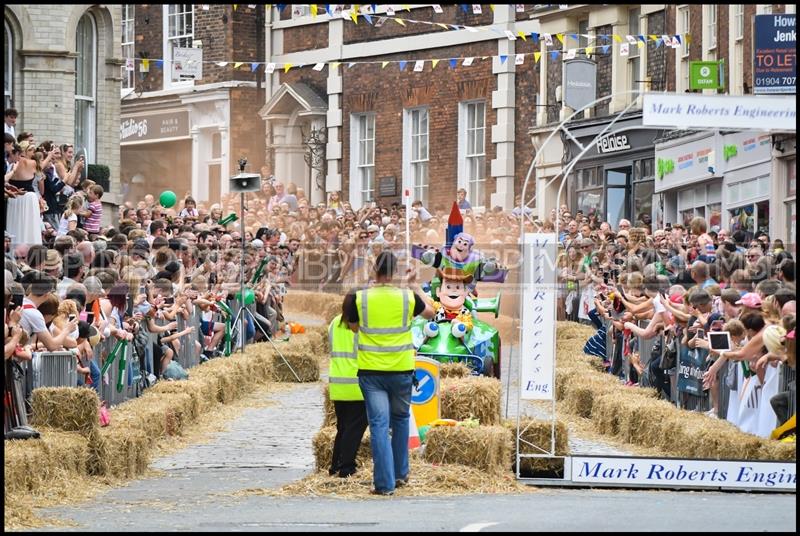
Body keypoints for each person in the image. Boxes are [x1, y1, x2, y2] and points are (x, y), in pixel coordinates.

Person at [345, 251, 434, 495]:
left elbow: (353, 328)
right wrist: (414, 283)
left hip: (371, 371)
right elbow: (431, 312)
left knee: (379, 426)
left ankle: (384, 485)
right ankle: (401, 474)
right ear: (395, 272)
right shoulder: (407, 298)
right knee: (401, 420)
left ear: (374, 270)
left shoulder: (361, 298)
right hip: (401, 369)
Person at [327, 300, 368, 478]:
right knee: (354, 428)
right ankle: (346, 467)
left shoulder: (334, 323)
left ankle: (335, 465)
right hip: (356, 383)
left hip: (337, 382)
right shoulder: (361, 326)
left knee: (343, 427)